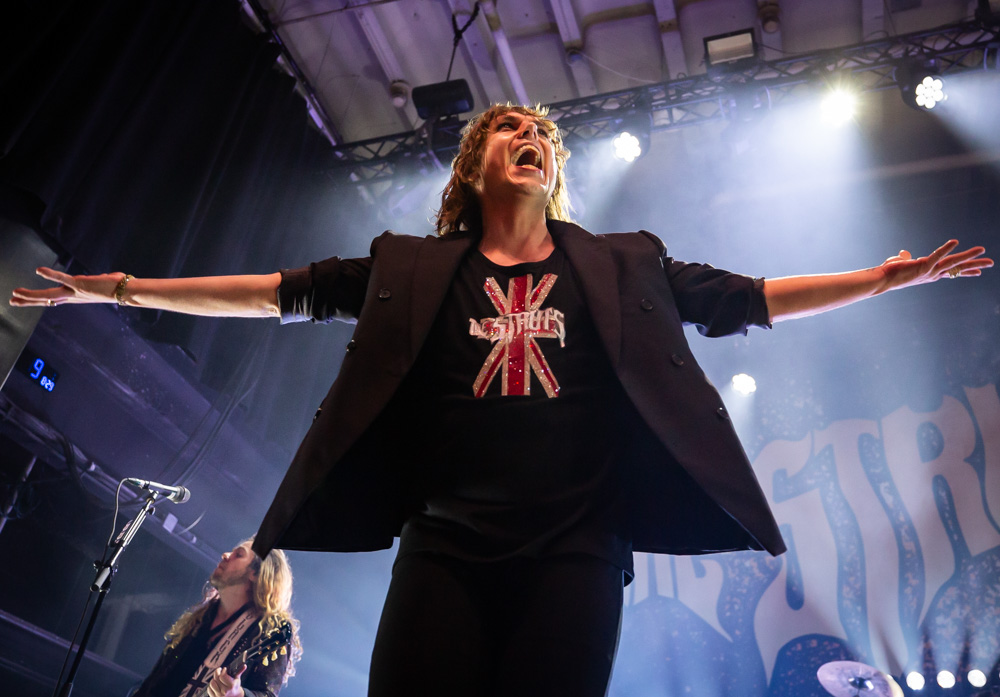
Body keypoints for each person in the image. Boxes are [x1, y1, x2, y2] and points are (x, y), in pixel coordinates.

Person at [10, 104, 992, 696]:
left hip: (576, 547)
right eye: (510, 129)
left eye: (542, 136)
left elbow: (750, 298)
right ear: (475, 164)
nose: (531, 138)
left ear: (553, 171)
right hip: (445, 541)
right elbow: (277, 293)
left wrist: (881, 278)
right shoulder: (409, 266)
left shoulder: (623, 262)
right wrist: (122, 289)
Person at [131, 539, 301, 697]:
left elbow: (267, 694)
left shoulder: (272, 630)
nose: (225, 555)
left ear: (256, 573)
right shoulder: (200, 618)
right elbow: (156, 680)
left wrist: (239, 694)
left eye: (238, 555)